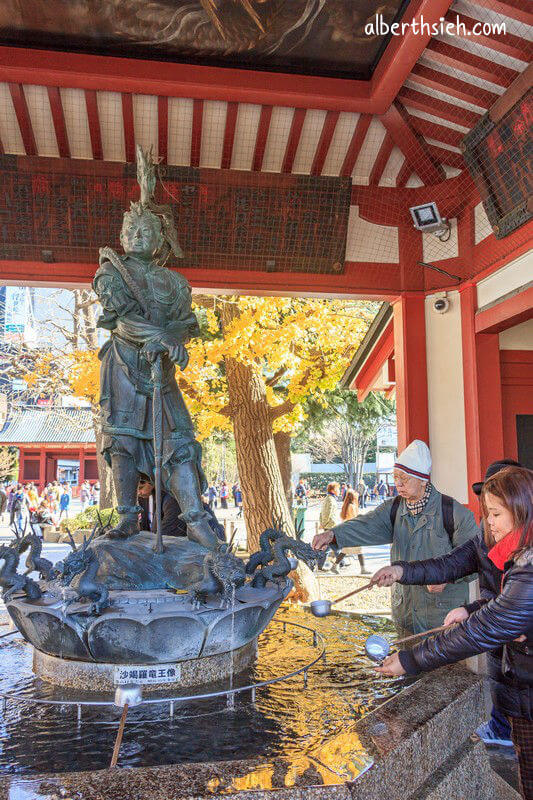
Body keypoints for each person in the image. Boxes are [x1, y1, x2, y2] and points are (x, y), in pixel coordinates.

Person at [375, 466, 533, 800]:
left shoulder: (528, 567)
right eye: (486, 512)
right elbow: (454, 569)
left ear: (521, 508)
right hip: (517, 679)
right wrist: (401, 570)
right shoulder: (508, 547)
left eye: (495, 513)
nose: (488, 522)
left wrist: (410, 660)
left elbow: (488, 627)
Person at [313, 440, 478, 633]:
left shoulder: (453, 513)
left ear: (423, 480)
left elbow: (475, 559)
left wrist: (448, 578)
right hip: (405, 613)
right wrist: (333, 534)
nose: (397, 483)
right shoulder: (393, 509)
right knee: (403, 659)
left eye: (405, 478)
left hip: (442, 617)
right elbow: (365, 525)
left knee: (445, 663)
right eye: (395, 477)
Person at [137, 478, 224, 541]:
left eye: (140, 488)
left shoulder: (172, 499)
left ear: (151, 483)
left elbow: (167, 534)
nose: (138, 492)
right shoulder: (144, 498)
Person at [340, 489, 370, 575]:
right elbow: (354, 518)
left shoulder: (346, 505)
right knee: (358, 550)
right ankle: (363, 569)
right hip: (352, 530)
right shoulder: (351, 506)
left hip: (347, 529)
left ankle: (334, 565)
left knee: (345, 550)